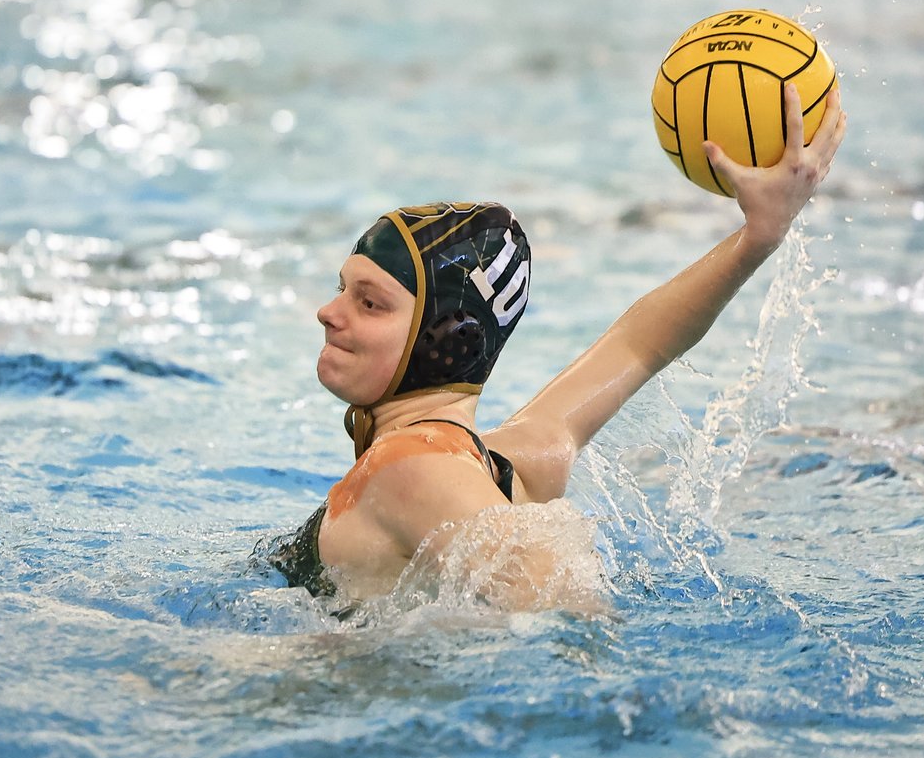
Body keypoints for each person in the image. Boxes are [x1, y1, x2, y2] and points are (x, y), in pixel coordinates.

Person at [267, 83, 846, 605]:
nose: (327, 313)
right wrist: (758, 237)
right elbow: (636, 344)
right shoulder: (509, 464)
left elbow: (563, 597)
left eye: (369, 302)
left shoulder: (410, 468)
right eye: (340, 289)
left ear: (447, 339)